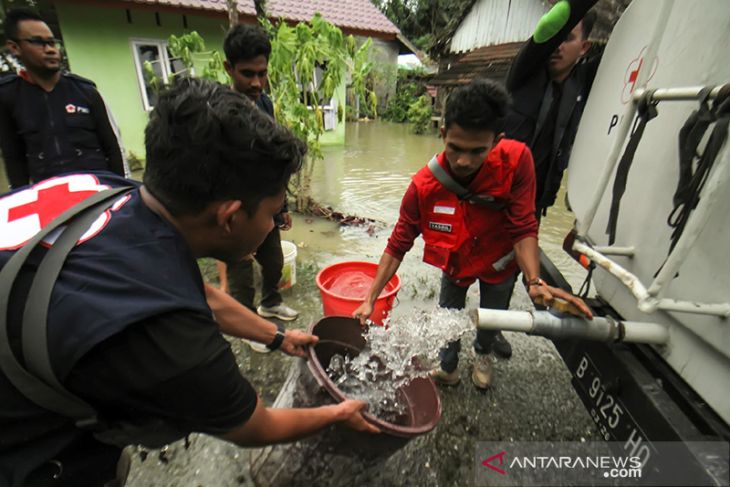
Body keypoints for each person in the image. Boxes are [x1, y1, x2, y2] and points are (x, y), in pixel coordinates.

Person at [0, 78, 376, 487]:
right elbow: (255, 426)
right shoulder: (172, 337)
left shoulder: (105, 189)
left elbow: (196, 294)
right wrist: (339, 414)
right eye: (273, 213)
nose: (273, 225)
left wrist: (277, 337)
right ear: (230, 217)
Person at [352, 79, 591, 390]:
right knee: (446, 316)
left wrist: (534, 281)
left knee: (494, 315)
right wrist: (370, 299)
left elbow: (524, 226)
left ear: (496, 141)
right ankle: (448, 367)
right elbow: (398, 244)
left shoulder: (518, 162)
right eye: (455, 148)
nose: (463, 161)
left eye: (477, 150)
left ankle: (483, 354)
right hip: (455, 265)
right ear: (442, 135)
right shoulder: (423, 188)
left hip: (500, 263)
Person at [215, 23, 299, 327]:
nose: (257, 82)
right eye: (248, 73)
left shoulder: (264, 103)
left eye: (262, 73)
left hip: (265, 204)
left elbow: (275, 157)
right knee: (241, 274)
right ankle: (249, 326)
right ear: (229, 68)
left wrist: (283, 206)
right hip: (236, 209)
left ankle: (270, 304)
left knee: (274, 262)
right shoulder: (219, 110)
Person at [0, 8, 127, 189]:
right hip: (51, 198)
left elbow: (113, 148)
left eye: (52, 42)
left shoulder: (86, 91)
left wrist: (120, 191)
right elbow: (14, 158)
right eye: (39, 42)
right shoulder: (9, 97)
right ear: (15, 47)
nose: (50, 49)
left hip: (97, 192)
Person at [505, 0, 598, 217]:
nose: (557, 46)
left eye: (566, 39)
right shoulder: (525, 71)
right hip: (495, 198)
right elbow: (551, 26)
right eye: (555, 38)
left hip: (533, 207)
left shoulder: (582, 83)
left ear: (584, 48)